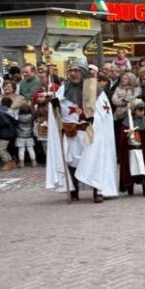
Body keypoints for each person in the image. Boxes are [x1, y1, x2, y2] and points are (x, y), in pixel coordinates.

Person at [44, 61, 118, 202]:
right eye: (71, 70)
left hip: (90, 132)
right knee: (72, 161)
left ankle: (98, 190)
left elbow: (104, 114)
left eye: (77, 70)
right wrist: (53, 105)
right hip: (72, 133)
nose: (73, 73)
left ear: (84, 72)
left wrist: (90, 119)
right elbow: (57, 111)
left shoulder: (94, 90)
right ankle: (73, 190)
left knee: (94, 160)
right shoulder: (63, 90)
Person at [117, 100, 145, 197]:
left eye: (143, 109)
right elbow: (122, 140)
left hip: (142, 151)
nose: (142, 112)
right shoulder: (126, 122)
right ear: (134, 111)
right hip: (131, 151)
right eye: (139, 109)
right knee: (131, 170)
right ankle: (130, 189)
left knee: (143, 169)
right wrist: (127, 136)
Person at [14, 103, 36, 168]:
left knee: (21, 149)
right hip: (29, 134)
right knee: (30, 149)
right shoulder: (31, 116)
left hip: (20, 135)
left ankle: (21, 163)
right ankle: (34, 162)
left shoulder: (18, 116)